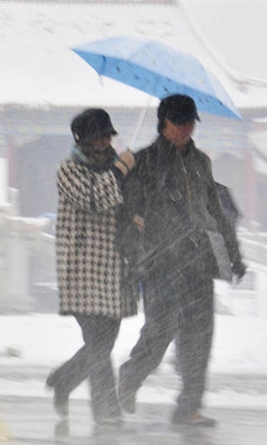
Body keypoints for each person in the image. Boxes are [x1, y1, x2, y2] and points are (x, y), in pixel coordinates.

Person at [117, 94, 245, 427]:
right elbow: (127, 213)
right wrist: (132, 259)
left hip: (198, 262)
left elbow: (215, 211)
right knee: (159, 333)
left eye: (191, 122)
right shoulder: (143, 161)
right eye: (180, 122)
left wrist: (234, 254)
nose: (187, 128)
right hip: (159, 263)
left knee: (199, 336)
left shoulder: (201, 162)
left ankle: (188, 407)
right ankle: (130, 377)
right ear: (164, 124)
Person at [46, 108, 138, 425]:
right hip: (82, 268)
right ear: (81, 141)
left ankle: (65, 379)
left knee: (103, 343)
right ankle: (106, 410)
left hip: (115, 268)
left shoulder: (118, 167)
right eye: (96, 137)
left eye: (106, 136)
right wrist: (120, 171)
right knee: (99, 343)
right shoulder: (69, 170)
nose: (102, 143)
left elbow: (131, 204)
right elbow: (94, 198)